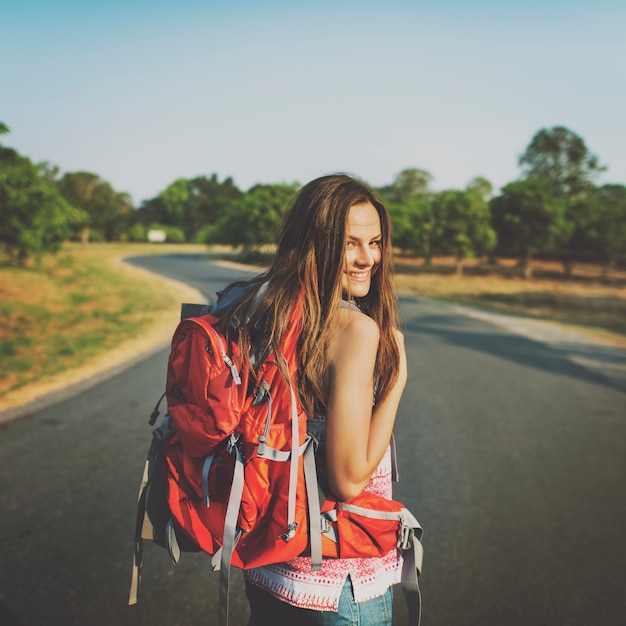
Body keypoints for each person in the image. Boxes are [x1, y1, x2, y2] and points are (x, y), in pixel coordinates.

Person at [216, 173, 407, 626]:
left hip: (267, 559)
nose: (368, 259)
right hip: (339, 577)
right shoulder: (356, 331)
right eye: (350, 245)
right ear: (315, 243)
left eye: (375, 242)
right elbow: (347, 481)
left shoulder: (258, 306)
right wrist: (397, 378)